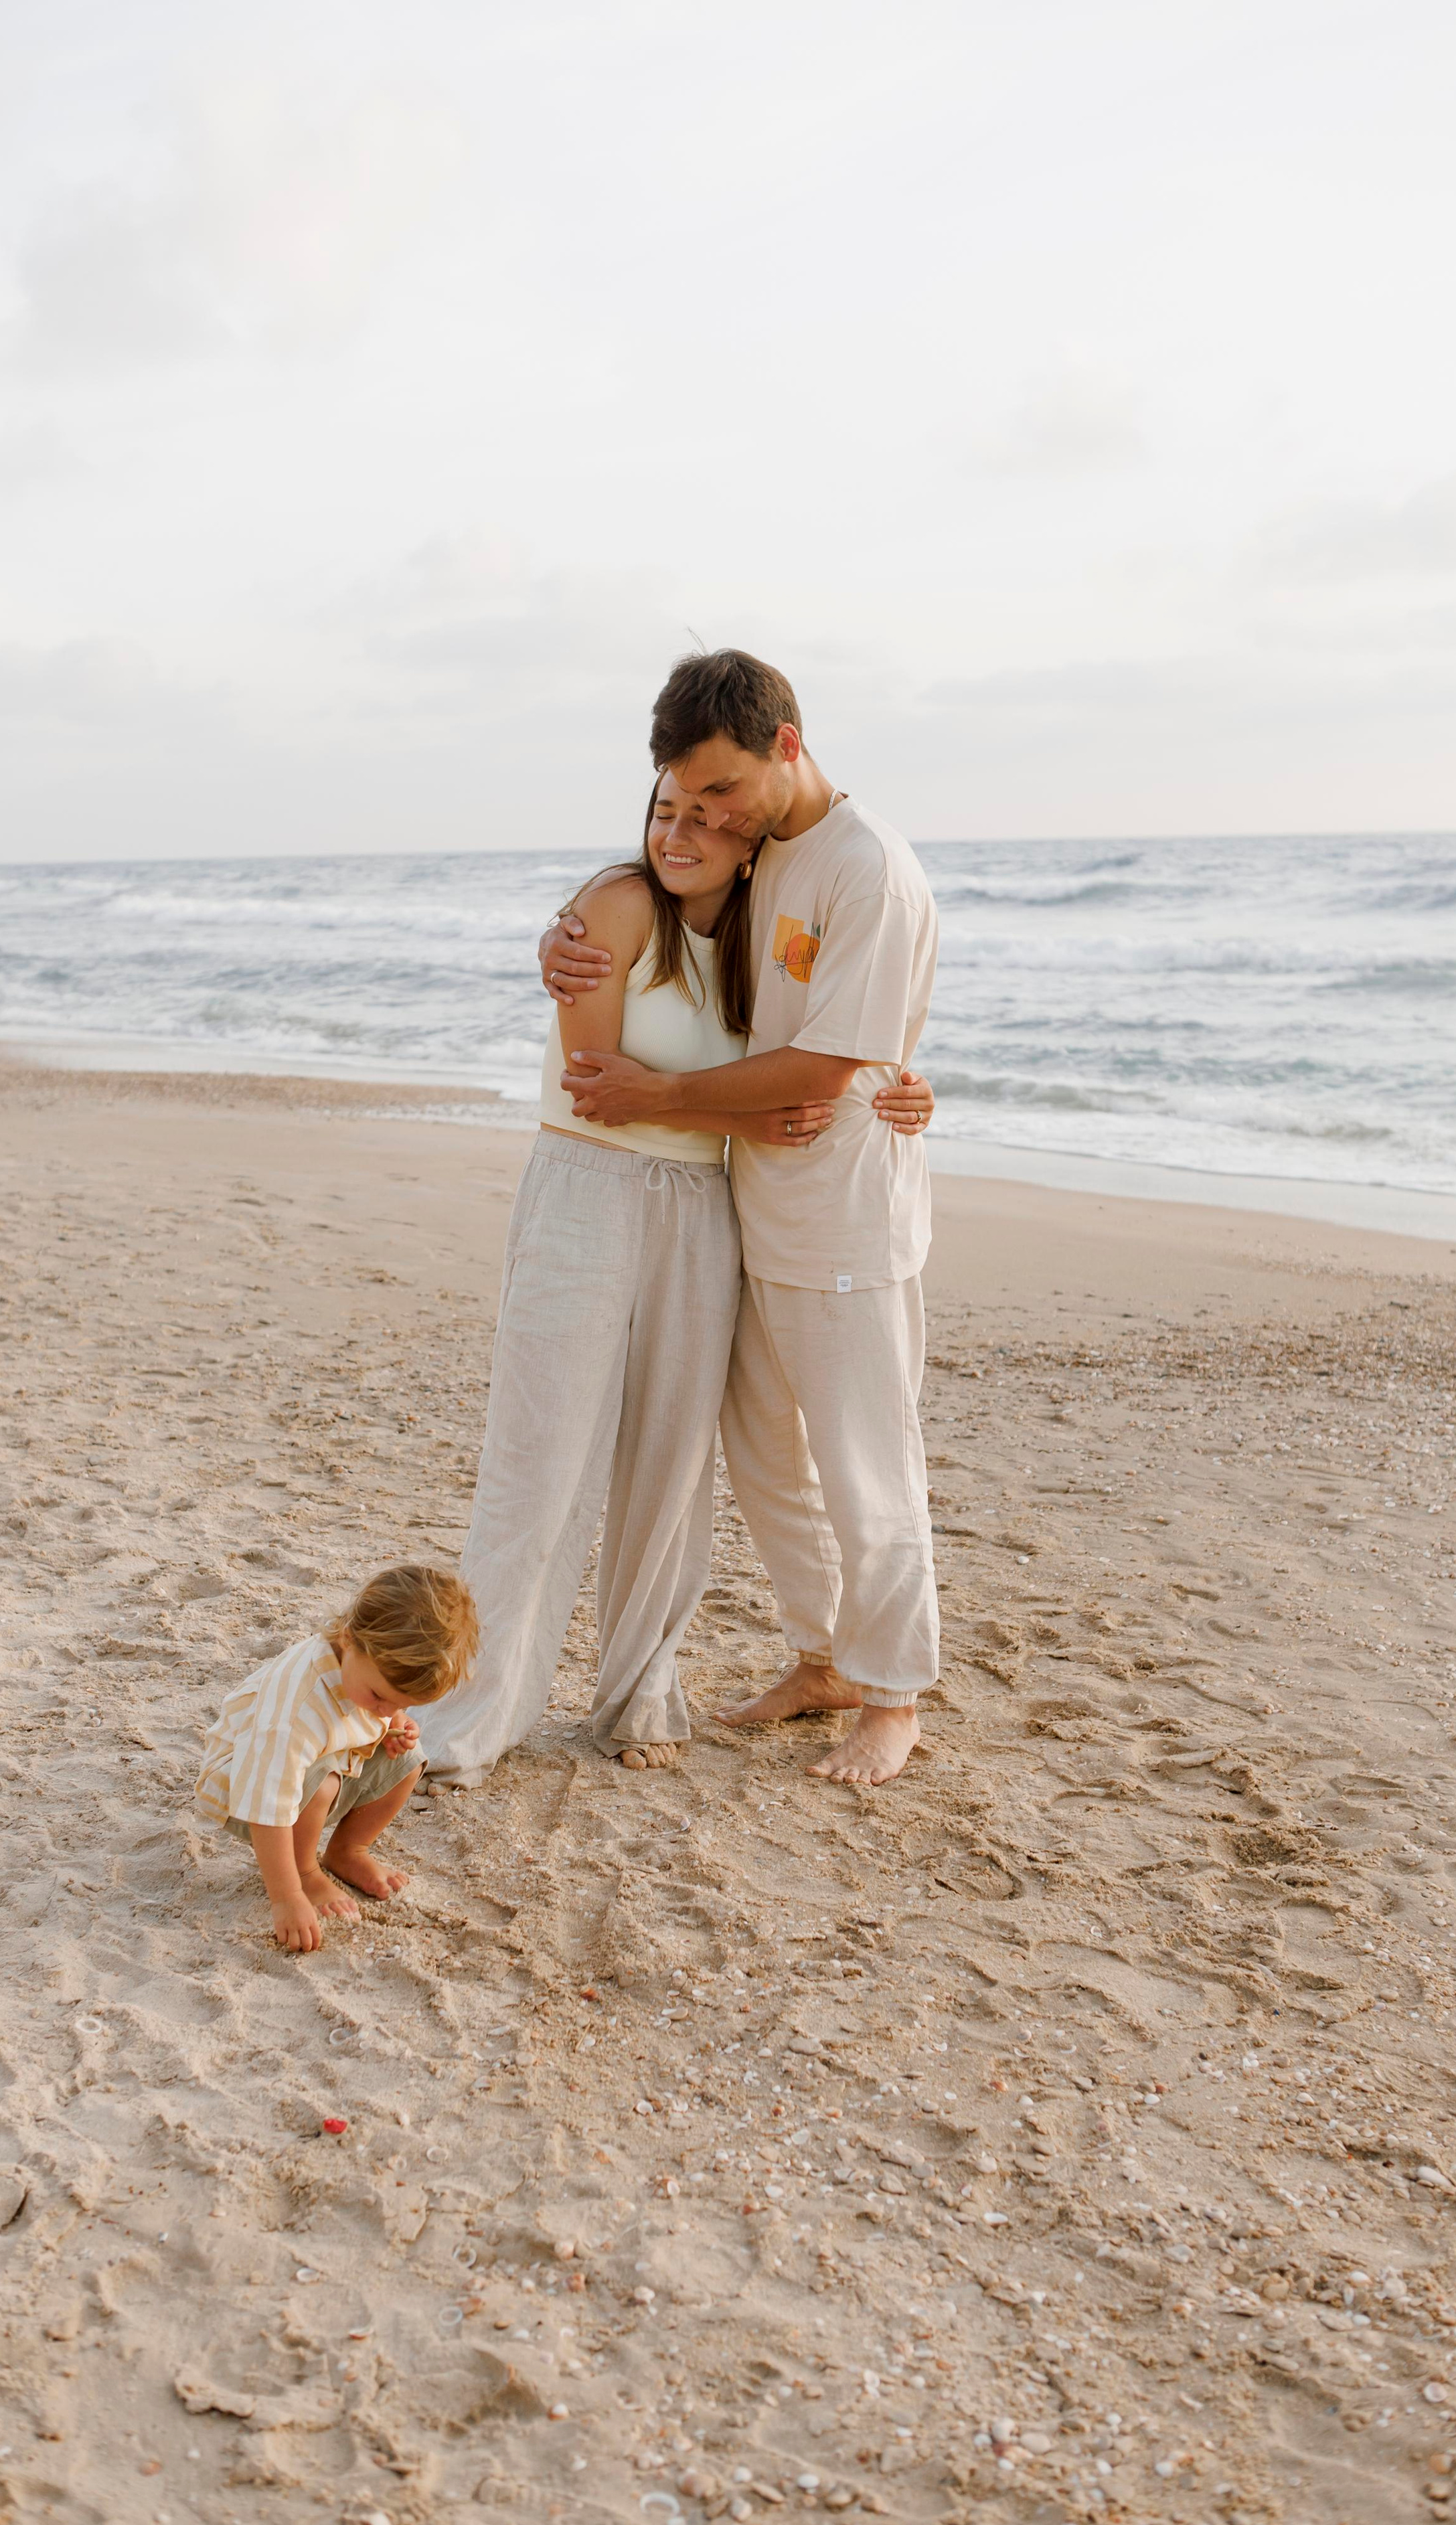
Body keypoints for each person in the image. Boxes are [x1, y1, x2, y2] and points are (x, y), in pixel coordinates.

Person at [417, 776, 932, 1789]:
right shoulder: (612, 906)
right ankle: (475, 1711)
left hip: (706, 1209)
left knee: (673, 1467)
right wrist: (745, 1117)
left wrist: (896, 1089)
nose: (678, 831)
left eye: (705, 813)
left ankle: (639, 1692)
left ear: (750, 839)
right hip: (589, 1197)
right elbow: (598, 1085)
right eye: (663, 811)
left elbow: (822, 1048)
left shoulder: (761, 928)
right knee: (542, 1459)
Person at [541, 649, 941, 1787]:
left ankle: (895, 1693)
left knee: (868, 1462)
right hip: (747, 1203)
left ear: (789, 746)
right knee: (765, 1456)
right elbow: (669, 921)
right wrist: (564, 939)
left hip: (846, 1215)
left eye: (723, 791)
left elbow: (828, 1056)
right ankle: (824, 1657)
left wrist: (661, 1096)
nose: (708, 815)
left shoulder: (871, 870)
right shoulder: (767, 851)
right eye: (687, 793)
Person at [196, 1562, 477, 1952]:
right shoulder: (297, 1708)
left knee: (409, 1761)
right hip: (243, 1789)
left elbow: (377, 1712)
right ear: (350, 1638)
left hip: (317, 1764)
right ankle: (305, 1869)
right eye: (380, 1697)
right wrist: (286, 1897)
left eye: (404, 1703)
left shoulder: (362, 1671)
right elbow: (266, 1802)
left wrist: (395, 1723)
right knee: (325, 1781)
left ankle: (347, 1851)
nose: (384, 1711)